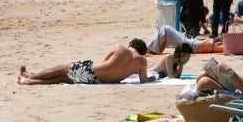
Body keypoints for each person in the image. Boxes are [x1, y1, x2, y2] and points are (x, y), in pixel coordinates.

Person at [18, 39, 156, 85]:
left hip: (92, 71)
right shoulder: (142, 62)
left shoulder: (120, 48)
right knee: (61, 78)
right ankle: (30, 81)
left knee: (59, 69)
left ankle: (31, 76)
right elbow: (143, 80)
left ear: (131, 44)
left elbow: (104, 62)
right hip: (98, 82)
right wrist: (151, 78)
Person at [147, 25, 243, 55]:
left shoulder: (225, 46)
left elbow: (232, 50)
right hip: (192, 43)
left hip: (192, 46)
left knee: (165, 29)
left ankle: (149, 49)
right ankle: (153, 48)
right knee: (164, 30)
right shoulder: (226, 42)